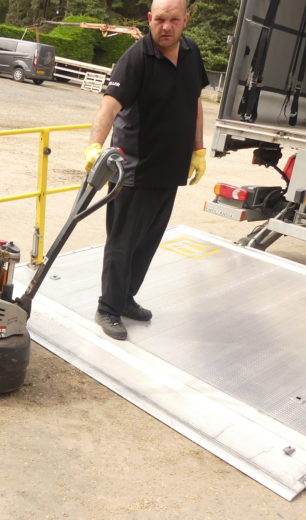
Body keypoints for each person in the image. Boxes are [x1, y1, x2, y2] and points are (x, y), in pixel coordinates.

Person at [84, 0, 208, 340]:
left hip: (170, 168)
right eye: (160, 20)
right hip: (134, 169)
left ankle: (126, 299)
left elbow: (194, 100)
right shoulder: (137, 58)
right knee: (123, 242)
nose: (165, 27)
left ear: (186, 20)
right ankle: (107, 307)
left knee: (148, 241)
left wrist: (198, 149)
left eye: (173, 20)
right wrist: (95, 146)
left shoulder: (191, 52)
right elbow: (109, 105)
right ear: (150, 19)